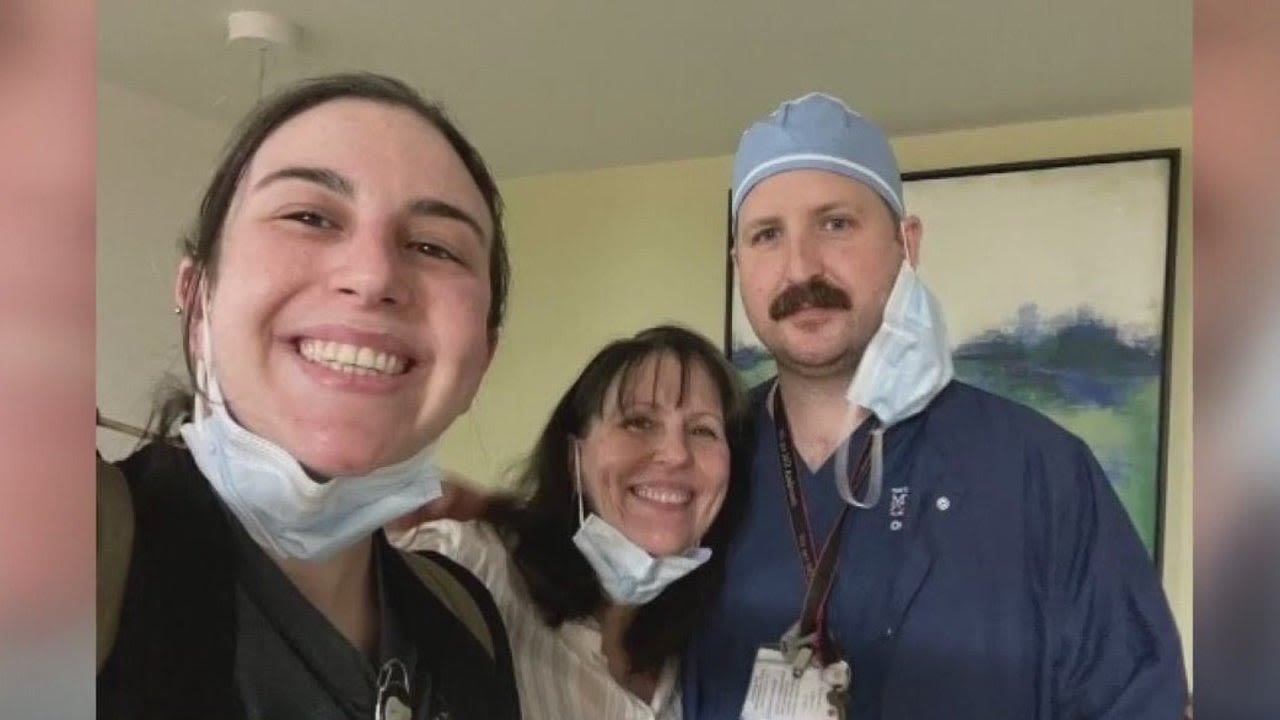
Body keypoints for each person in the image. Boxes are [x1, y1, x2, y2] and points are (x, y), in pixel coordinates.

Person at [680, 93, 1188, 718]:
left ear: (906, 242)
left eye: (835, 223)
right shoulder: (698, 473)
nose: (799, 266)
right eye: (766, 236)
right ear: (740, 267)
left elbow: (1136, 699)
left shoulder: (1039, 472)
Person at [96, 72, 521, 720]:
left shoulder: (466, 622)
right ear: (197, 299)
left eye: (434, 247)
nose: (374, 275)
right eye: (310, 217)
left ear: (484, 357)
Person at [395, 325, 751, 720]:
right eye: (639, 422)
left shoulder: (693, 664)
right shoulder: (471, 566)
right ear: (575, 457)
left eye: (703, 430)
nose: (675, 453)